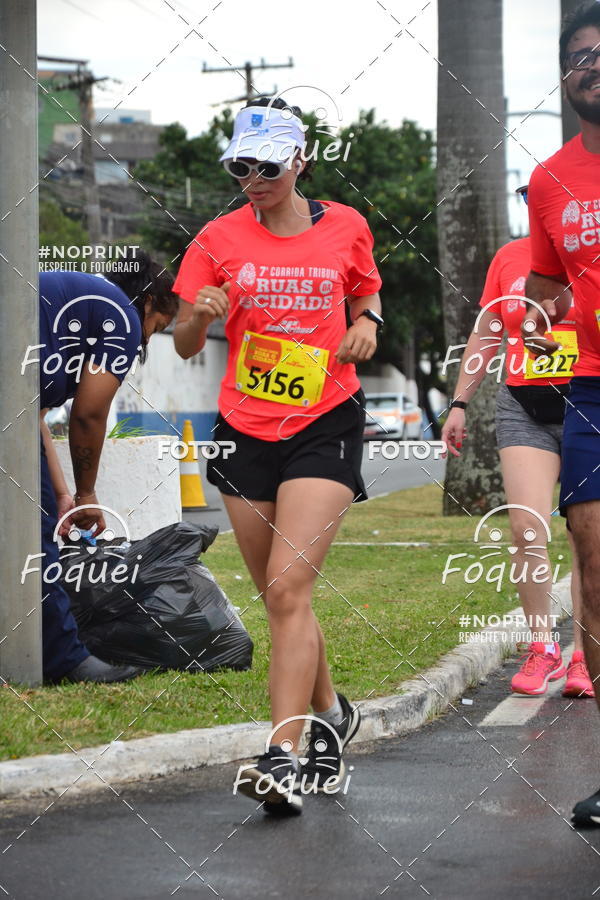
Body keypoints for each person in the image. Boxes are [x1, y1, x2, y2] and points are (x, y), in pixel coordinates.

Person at [173, 97, 383, 815]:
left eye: (266, 165)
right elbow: (183, 341)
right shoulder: (217, 237)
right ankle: (332, 711)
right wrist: (198, 316)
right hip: (243, 425)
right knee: (277, 593)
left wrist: (367, 325)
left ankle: (282, 756)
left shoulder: (347, 226)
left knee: (290, 588)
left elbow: (366, 292)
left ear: (301, 160)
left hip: (325, 419)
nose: (253, 179)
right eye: (240, 166)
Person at [442, 187, 592, 699]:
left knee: (583, 532)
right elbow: (487, 331)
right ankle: (541, 646)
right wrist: (460, 403)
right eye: (533, 200)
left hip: (587, 403)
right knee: (528, 528)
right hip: (523, 405)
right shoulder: (508, 257)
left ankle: (583, 655)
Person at [519, 2, 600, 825]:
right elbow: (545, 283)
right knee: (596, 566)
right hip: (595, 390)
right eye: (581, 57)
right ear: (567, 77)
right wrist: (533, 320)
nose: (595, 66)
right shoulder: (549, 180)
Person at [38, 250, 178, 684]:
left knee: (33, 517)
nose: (147, 340)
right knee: (32, 535)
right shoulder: (123, 314)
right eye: (157, 329)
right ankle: (64, 660)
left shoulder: (83, 301)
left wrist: (62, 492)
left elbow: (31, 413)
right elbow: (89, 414)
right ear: (151, 301)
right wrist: (86, 495)